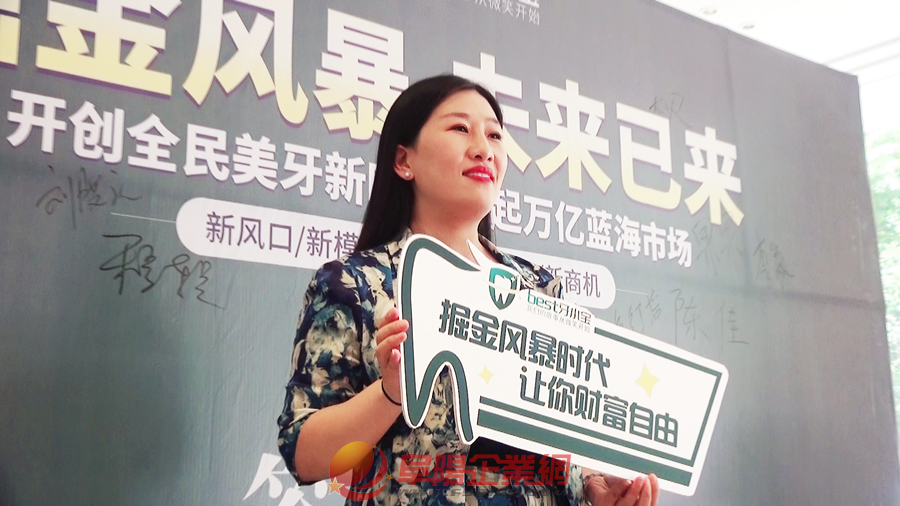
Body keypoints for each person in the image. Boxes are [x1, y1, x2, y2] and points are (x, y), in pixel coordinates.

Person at [277, 75, 660, 506]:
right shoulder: (355, 284)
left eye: (494, 135)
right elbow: (305, 456)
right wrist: (391, 393)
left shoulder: (538, 290)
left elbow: (557, 440)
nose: (484, 148)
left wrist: (592, 485)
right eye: (460, 128)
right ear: (404, 160)